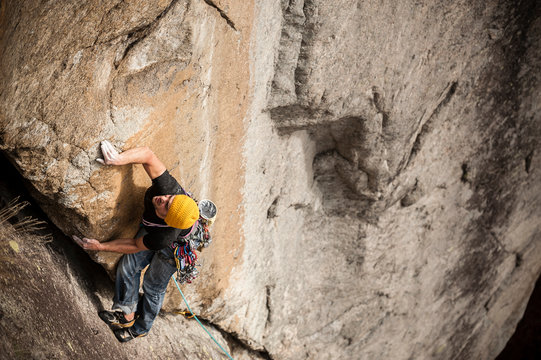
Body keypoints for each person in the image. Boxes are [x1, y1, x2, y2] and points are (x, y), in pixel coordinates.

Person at [73, 140, 200, 342]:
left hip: (172, 249)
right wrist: (118, 159)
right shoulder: (169, 190)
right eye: (169, 198)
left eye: (166, 205)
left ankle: (140, 328)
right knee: (127, 266)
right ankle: (125, 314)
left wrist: (101, 246)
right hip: (154, 230)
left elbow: (134, 245)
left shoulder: (165, 236)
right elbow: (148, 155)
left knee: (152, 286)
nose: (163, 199)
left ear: (167, 219)